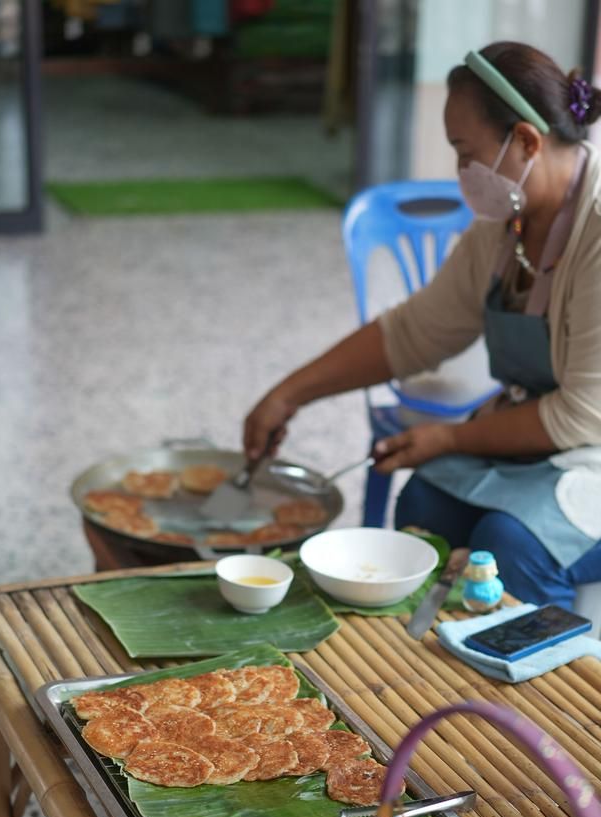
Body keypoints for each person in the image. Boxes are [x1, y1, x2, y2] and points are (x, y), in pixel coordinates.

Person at [243, 41, 601, 609]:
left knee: (510, 546)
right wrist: (287, 396)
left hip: (589, 443)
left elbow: (580, 413)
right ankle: (420, 677)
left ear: (527, 141)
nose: (461, 174)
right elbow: (415, 332)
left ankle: (542, 689)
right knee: (424, 503)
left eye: (466, 153)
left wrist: (450, 436)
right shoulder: (506, 225)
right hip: (552, 446)